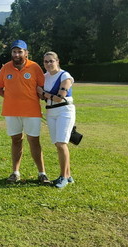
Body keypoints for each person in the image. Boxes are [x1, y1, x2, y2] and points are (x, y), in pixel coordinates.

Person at [0, 40, 50, 184]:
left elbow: (42, 88)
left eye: (20, 51)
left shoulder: (35, 67)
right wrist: (11, 98)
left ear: (26, 53)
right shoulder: (6, 68)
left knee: (34, 141)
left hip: (32, 111)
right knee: (16, 140)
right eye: (14, 52)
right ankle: (15, 172)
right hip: (11, 112)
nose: (17, 54)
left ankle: (42, 173)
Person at [38, 51, 76, 188]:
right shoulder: (44, 77)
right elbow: (43, 97)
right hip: (51, 111)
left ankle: (63, 177)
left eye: (51, 61)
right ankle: (68, 175)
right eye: (46, 61)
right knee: (57, 144)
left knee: (61, 143)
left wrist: (42, 92)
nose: (48, 64)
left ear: (57, 61)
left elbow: (60, 97)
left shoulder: (65, 76)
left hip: (64, 111)